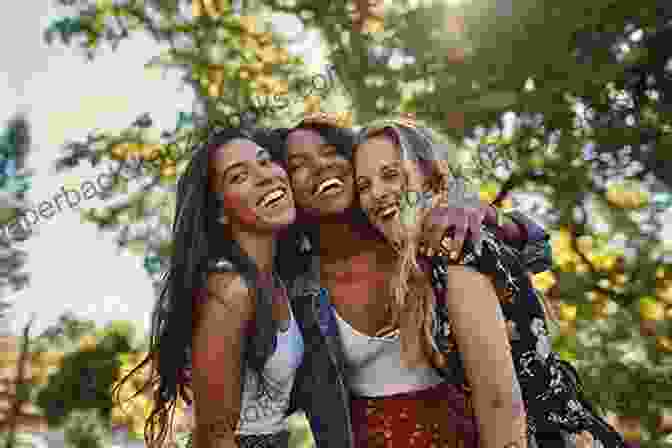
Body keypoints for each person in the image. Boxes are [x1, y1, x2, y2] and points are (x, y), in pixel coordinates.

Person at [271, 113, 553, 448]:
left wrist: (482, 212)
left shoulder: (423, 232)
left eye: (331, 152)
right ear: (286, 186)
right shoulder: (293, 288)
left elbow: (536, 253)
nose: (320, 166)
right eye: (299, 164)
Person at [352, 116, 626, 448]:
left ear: (430, 176)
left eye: (391, 175)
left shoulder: (455, 247)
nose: (377, 193)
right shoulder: (424, 262)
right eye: (364, 186)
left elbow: (500, 404)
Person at [113, 127, 310, 448]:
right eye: (238, 176)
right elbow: (215, 437)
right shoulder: (229, 289)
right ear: (220, 210)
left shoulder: (275, 280)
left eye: (265, 161)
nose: (265, 176)